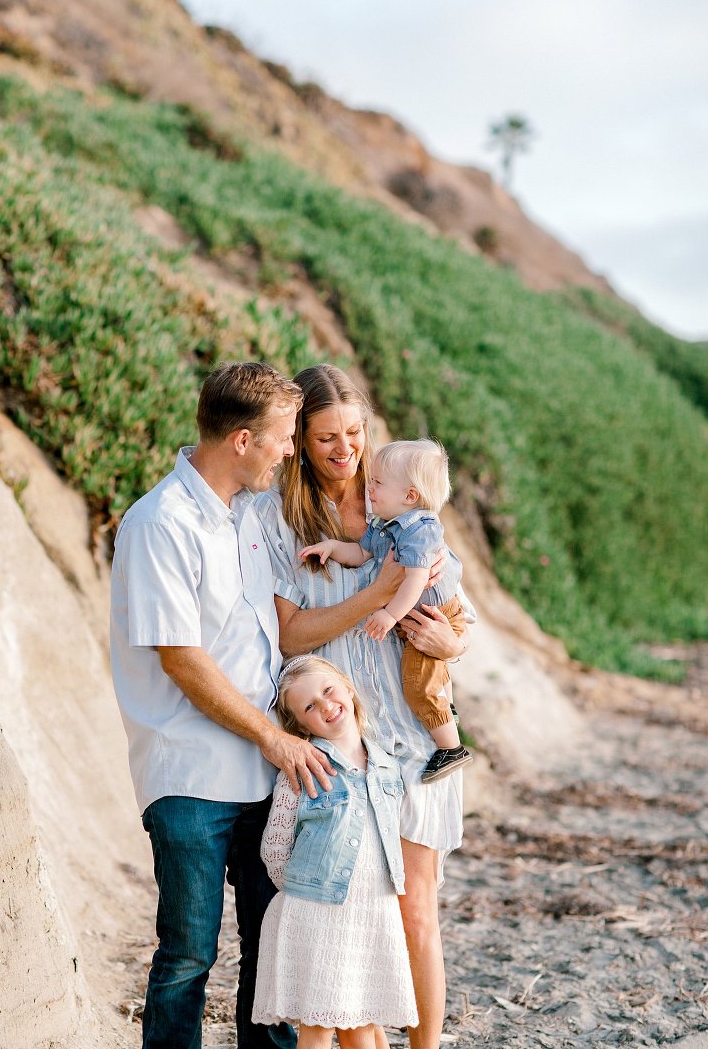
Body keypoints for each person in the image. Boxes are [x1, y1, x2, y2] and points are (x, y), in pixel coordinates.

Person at [110, 361, 335, 1049]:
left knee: (273, 952)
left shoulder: (250, 517)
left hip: (266, 774)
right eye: (284, 437)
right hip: (190, 774)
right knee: (188, 956)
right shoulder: (159, 523)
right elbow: (183, 659)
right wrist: (273, 738)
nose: (291, 449)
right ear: (242, 441)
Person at [253, 364, 472, 1049]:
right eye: (325, 438)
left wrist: (451, 642)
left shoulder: (403, 511)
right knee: (355, 915)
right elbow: (290, 634)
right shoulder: (287, 523)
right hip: (345, 749)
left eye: (354, 433)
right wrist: (376, 594)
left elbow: (455, 619)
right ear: (300, 440)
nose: (344, 450)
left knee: (415, 916)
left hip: (417, 741)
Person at [253, 655, 418, 1049]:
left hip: (373, 908)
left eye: (328, 691)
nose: (325, 705)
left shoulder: (386, 764)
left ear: (346, 686)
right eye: (309, 706)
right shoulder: (306, 768)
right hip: (319, 911)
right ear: (299, 725)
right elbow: (275, 845)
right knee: (321, 1023)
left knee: (363, 1016)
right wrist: (304, 889)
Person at [299, 438, 474, 783]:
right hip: (419, 618)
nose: (370, 488)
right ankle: (444, 715)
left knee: (417, 684)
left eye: (378, 483)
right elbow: (363, 555)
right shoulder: (389, 526)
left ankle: (452, 748)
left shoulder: (420, 530)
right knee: (425, 679)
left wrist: (390, 614)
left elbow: (414, 579)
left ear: (410, 496)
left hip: (433, 617)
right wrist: (333, 547)